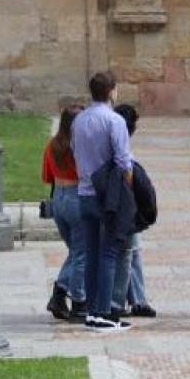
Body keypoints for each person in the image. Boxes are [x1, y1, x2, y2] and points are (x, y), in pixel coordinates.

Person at [71, 70, 134, 331]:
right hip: (107, 194)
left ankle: (92, 310)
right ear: (111, 92)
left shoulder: (79, 120)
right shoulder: (114, 120)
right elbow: (123, 161)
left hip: (84, 191)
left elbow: (75, 151)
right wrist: (127, 189)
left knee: (91, 251)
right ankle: (104, 312)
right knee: (109, 252)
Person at [111, 103, 157, 319]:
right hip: (122, 205)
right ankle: (118, 301)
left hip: (124, 205)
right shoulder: (121, 147)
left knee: (133, 251)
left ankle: (137, 299)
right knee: (126, 252)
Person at [42, 103, 87, 321]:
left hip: (58, 197)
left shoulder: (52, 144)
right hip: (76, 196)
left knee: (75, 251)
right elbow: (87, 174)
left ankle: (59, 297)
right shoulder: (78, 146)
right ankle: (77, 301)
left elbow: (46, 175)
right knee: (81, 254)